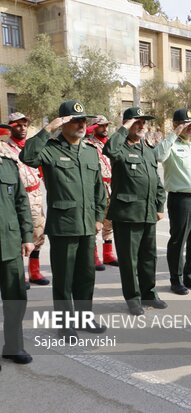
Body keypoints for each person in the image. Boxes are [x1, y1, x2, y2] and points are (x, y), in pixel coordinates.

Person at [20, 100, 107, 339]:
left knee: (86, 277)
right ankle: (66, 325)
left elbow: (99, 188)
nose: (81, 124)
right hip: (63, 226)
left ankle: (84, 318)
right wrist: (47, 129)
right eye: (75, 120)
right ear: (63, 123)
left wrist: (99, 217)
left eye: (83, 120)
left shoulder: (90, 151)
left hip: (88, 225)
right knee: (64, 280)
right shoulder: (50, 148)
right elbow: (27, 156)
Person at [103, 108, 167, 315]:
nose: (141, 126)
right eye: (136, 123)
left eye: (143, 123)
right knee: (129, 260)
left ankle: (150, 293)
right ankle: (133, 297)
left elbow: (156, 180)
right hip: (127, 214)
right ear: (127, 124)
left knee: (149, 257)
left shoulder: (147, 149)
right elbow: (109, 150)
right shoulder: (119, 146)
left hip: (148, 212)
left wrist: (159, 206)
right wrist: (123, 128)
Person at [154, 109, 191, 295]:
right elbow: (158, 156)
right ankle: (176, 279)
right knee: (179, 241)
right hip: (181, 200)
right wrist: (173, 135)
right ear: (176, 125)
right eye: (186, 123)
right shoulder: (170, 145)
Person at [0, 125, 34, 366]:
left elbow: (22, 202)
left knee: (15, 298)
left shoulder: (8, 164)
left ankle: (13, 346)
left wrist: (27, 236)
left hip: (10, 243)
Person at [6, 112, 49, 286]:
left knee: (38, 235)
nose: (22, 128)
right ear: (10, 126)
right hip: (16, 197)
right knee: (18, 237)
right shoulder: (4, 148)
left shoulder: (32, 146)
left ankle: (35, 272)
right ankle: (19, 275)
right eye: (17, 125)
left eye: (24, 125)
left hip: (36, 195)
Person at [85, 115, 118, 271]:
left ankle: (108, 254)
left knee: (109, 221)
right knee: (95, 222)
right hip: (97, 186)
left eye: (106, 126)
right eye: (101, 126)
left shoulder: (110, 142)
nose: (105, 129)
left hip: (112, 184)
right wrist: (89, 130)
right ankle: (93, 255)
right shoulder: (88, 143)